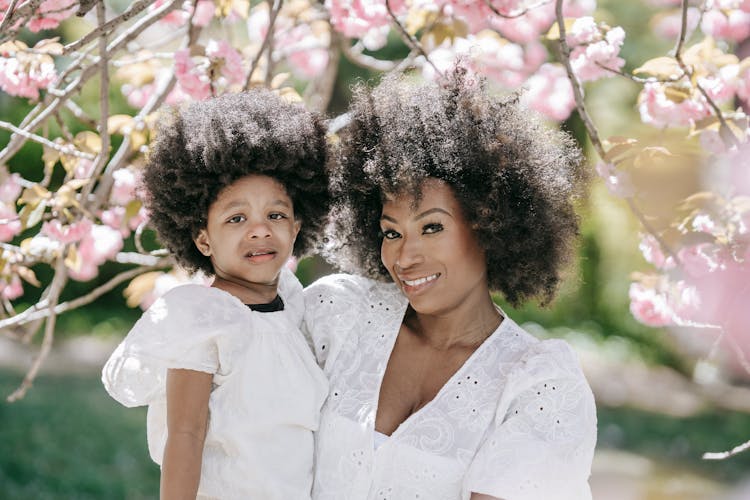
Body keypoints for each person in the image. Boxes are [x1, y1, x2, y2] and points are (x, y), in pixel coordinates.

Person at [303, 68, 597, 500]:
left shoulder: (537, 385)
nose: (405, 257)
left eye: (432, 227)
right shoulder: (338, 316)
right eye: (391, 232)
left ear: (489, 224)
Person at [101, 90, 330, 500]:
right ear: (203, 239)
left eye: (275, 215)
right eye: (237, 218)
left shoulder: (294, 311)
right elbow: (185, 435)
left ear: (297, 227)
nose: (260, 230)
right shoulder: (204, 319)